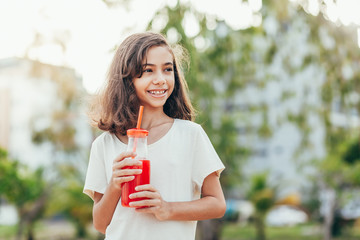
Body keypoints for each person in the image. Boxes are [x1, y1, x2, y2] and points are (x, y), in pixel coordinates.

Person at [83, 32, 226, 240]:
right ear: (127, 78)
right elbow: (101, 224)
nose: (160, 80)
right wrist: (115, 184)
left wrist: (167, 208)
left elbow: (217, 204)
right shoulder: (104, 145)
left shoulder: (190, 135)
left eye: (167, 69)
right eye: (148, 70)